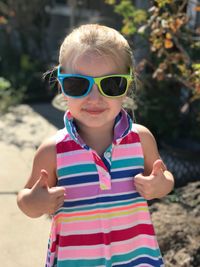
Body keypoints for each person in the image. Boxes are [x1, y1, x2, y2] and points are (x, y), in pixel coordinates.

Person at [17, 24, 174, 267]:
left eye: (111, 84)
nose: (94, 97)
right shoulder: (53, 151)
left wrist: (159, 185)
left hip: (136, 258)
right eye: (78, 85)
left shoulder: (141, 139)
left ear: (128, 83)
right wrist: (34, 203)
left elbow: (163, 178)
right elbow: (26, 198)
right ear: (61, 84)